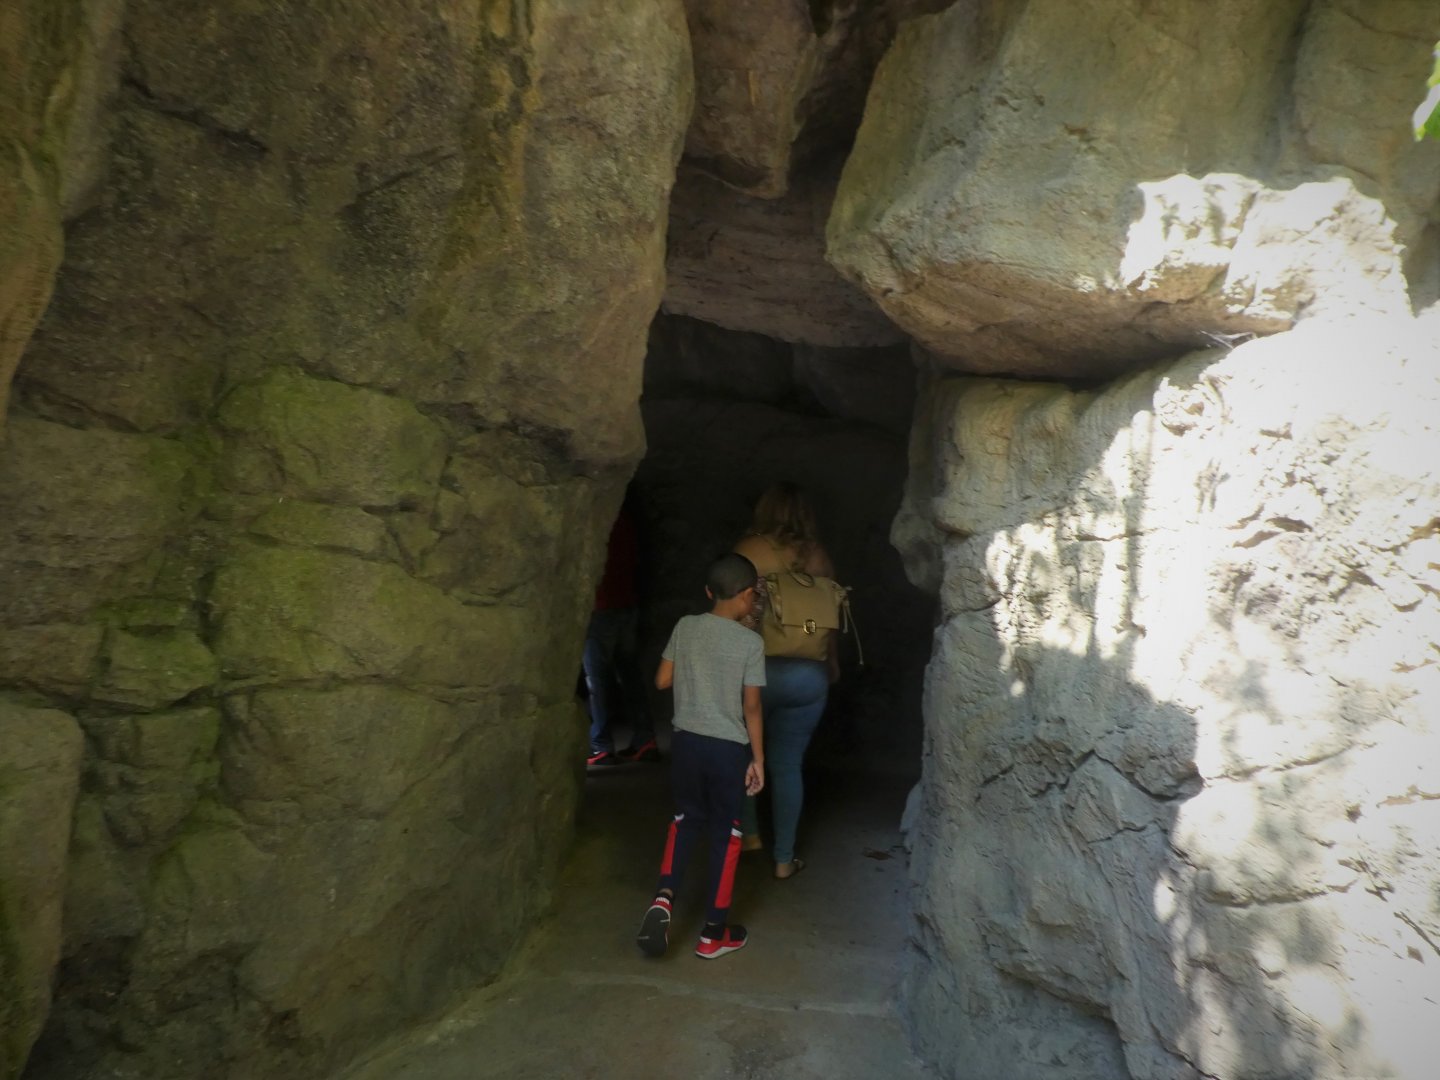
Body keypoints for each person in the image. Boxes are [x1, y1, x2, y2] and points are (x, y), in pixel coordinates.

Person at [636, 553, 766, 960]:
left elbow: (662, 680)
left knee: (685, 820)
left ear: (709, 592)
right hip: (727, 749)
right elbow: (752, 708)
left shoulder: (686, 626)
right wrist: (757, 759)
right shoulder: (750, 642)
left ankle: (663, 900)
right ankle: (713, 933)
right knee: (727, 835)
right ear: (748, 595)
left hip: (687, 744)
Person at [732, 482, 838, 880]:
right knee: (787, 765)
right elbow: (831, 621)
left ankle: (750, 835)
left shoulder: (748, 549)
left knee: (745, 755)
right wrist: (831, 664)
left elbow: (734, 615)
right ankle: (784, 858)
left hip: (756, 673)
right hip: (809, 676)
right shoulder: (821, 557)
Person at [584, 505, 659, 767]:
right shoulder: (625, 516)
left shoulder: (592, 515)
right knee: (630, 674)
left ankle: (601, 744)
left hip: (600, 606)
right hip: (626, 603)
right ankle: (645, 738)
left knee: (598, 679)